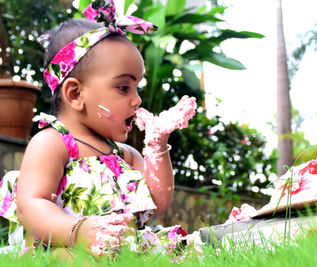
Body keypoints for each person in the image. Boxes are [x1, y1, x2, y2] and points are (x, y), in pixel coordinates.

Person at [0, 0, 197, 258]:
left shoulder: (124, 155)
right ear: (76, 93)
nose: (137, 100)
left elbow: (158, 202)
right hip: (64, 245)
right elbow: (31, 205)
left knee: (180, 251)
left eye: (137, 87)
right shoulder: (53, 143)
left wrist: (157, 146)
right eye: (124, 87)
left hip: (118, 250)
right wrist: (78, 232)